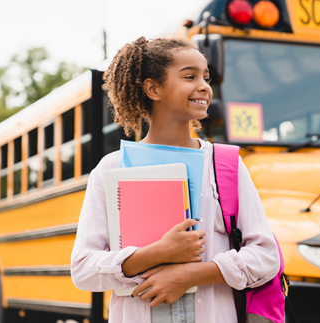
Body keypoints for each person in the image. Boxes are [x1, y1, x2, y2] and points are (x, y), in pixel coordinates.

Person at [71, 37, 280, 323]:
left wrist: (190, 275)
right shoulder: (112, 168)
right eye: (189, 76)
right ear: (153, 89)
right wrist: (156, 253)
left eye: (206, 77)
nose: (204, 86)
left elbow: (266, 257)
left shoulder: (226, 164)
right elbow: (83, 269)